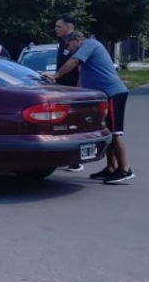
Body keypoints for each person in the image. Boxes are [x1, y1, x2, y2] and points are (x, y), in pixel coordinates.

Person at [42, 31, 134, 184]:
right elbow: (82, 76)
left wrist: (55, 76)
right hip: (103, 96)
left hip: (113, 93)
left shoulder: (89, 44)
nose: (68, 49)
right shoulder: (84, 54)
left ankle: (125, 169)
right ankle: (111, 168)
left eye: (69, 45)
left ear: (78, 40)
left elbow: (73, 61)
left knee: (116, 132)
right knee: (108, 132)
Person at [53, 14, 83, 172]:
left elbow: (78, 67)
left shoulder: (78, 44)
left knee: (74, 124)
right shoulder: (62, 43)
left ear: (69, 27)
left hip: (74, 91)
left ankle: (76, 160)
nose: (55, 29)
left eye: (59, 26)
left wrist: (78, 90)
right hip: (62, 90)